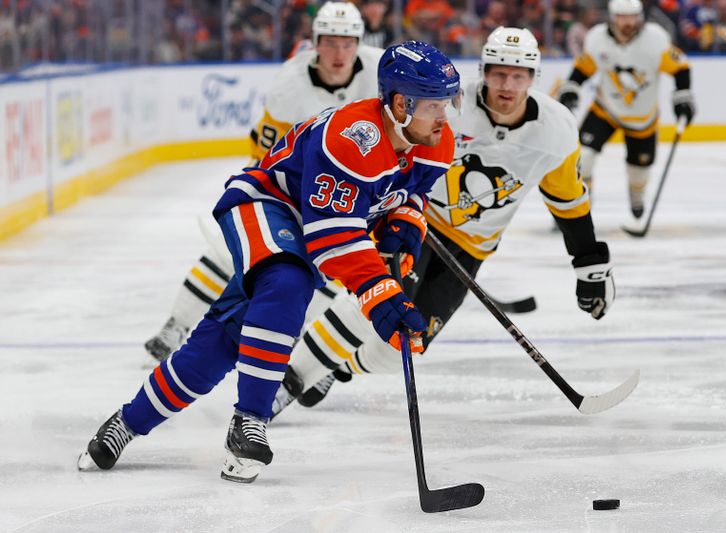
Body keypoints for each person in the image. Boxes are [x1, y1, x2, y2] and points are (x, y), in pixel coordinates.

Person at [77, 41, 463, 484]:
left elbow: (412, 195)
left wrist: (403, 231)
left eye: (446, 104)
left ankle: (126, 423)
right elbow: (332, 238)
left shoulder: (435, 138)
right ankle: (249, 421)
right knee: (288, 281)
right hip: (266, 207)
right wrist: (381, 297)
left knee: (221, 341)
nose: (444, 117)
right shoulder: (352, 139)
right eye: (435, 106)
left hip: (310, 227)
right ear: (401, 104)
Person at [267, 27, 617, 417]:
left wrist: (590, 266)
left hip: (472, 246)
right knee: (370, 306)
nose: (507, 84)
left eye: (519, 76)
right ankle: (287, 383)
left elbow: (568, 200)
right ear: (483, 70)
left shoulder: (556, 130)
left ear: (533, 78)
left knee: (405, 344)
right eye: (499, 73)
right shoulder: (446, 104)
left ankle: (334, 365)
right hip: (415, 224)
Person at [144, 1, 384, 362]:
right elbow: (268, 160)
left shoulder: (381, 70)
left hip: (351, 194)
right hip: (290, 189)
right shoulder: (290, 87)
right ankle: (177, 324)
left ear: (359, 44)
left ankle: (291, 340)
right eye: (331, 43)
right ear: (316, 42)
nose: (339, 53)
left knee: (329, 269)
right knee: (230, 252)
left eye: (347, 43)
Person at [556, 0, 695, 219]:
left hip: (643, 117)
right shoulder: (597, 38)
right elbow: (584, 67)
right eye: (622, 16)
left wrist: (683, 96)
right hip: (605, 109)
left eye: (633, 16)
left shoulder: (656, 39)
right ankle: (580, 203)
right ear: (612, 17)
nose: (628, 22)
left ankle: (636, 194)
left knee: (638, 172)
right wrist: (571, 87)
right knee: (584, 158)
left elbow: (680, 67)